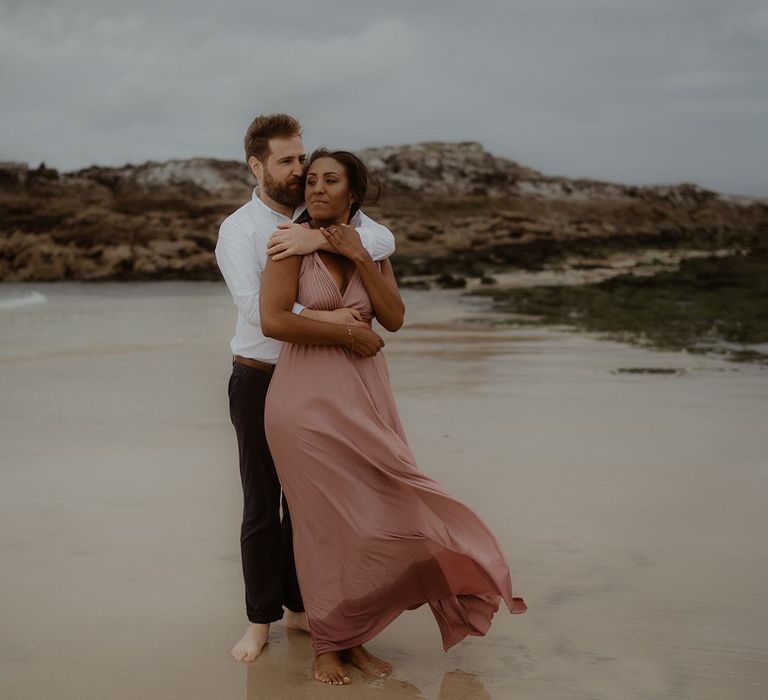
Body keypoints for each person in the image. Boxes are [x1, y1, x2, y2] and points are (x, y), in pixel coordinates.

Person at [260, 149, 528, 686]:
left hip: (365, 401)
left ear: (353, 193)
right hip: (302, 407)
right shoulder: (288, 246)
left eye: (330, 181)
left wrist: (360, 256)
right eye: (310, 180)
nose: (315, 189)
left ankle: (354, 636)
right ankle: (329, 647)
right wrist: (346, 331)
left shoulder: (373, 249)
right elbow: (271, 321)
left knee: (381, 514)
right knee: (321, 528)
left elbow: (396, 318)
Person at [215, 114, 396, 664]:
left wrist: (316, 235)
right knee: (261, 504)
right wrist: (338, 324)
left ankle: (301, 607)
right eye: (288, 161)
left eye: (302, 159)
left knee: (311, 504)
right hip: (262, 375)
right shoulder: (238, 230)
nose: (300, 171)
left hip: (319, 379)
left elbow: (382, 238)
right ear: (257, 165)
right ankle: (258, 622)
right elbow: (256, 308)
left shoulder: (314, 217)